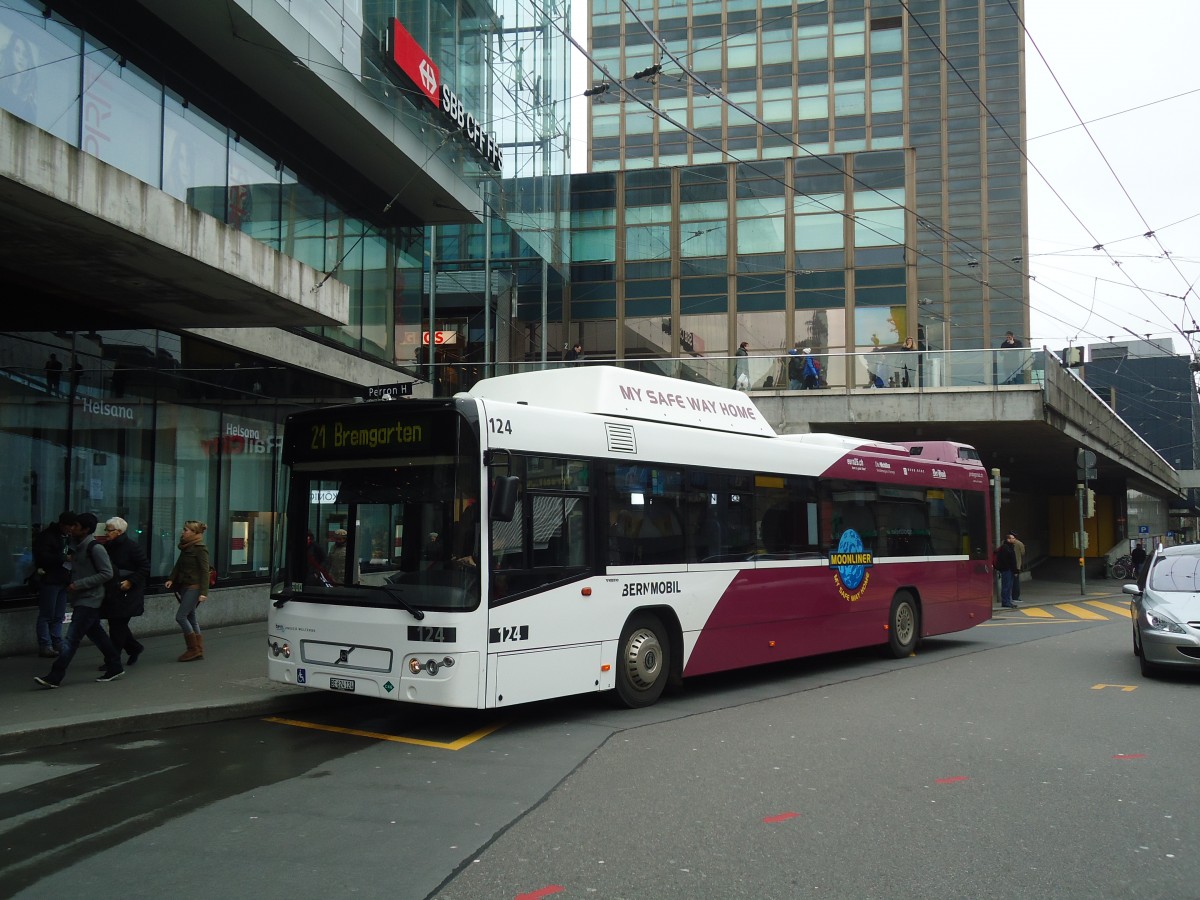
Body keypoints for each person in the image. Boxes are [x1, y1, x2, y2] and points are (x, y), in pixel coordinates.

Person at [34, 513, 124, 687]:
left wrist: (78, 584)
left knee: (71, 639)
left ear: (85, 529)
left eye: (75, 526)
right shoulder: (76, 546)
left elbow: (107, 573)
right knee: (97, 634)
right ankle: (115, 665)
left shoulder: (95, 548)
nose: (72, 529)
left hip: (90, 598)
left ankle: (55, 675)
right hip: (82, 598)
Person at [99, 517, 151, 666]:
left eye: (109, 530)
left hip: (128, 593)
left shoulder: (132, 547)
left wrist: (130, 581)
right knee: (117, 624)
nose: (106, 533)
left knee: (117, 626)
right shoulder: (108, 546)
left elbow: (145, 567)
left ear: (119, 532)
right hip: (115, 591)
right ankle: (134, 647)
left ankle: (112, 660)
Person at [32, 511, 76, 658]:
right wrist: (64, 557)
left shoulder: (66, 537)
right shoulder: (48, 537)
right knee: (47, 614)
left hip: (62, 578)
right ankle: (45, 644)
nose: (71, 530)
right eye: (69, 526)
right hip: (50, 579)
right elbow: (43, 557)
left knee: (58, 614)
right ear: (63, 525)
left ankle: (56, 641)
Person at [164, 520, 210, 662]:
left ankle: (193, 649)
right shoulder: (186, 546)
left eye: (186, 530)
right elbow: (179, 565)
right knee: (191, 617)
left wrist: (204, 592)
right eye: (184, 529)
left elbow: (205, 571)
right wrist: (171, 578)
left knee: (181, 617)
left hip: (194, 587)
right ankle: (198, 649)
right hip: (184, 585)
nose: (183, 532)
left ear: (195, 533)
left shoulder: (200, 548)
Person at [994, 532, 1019, 609]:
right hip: (1007, 570)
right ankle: (1005, 602)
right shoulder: (1005, 548)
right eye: (1012, 538)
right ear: (1008, 539)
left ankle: (1008, 601)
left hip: (1010, 570)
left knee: (1009, 586)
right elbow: (1007, 560)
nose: (1014, 539)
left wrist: (1014, 570)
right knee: (1006, 586)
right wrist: (1010, 569)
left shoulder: (1010, 547)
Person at [1009, 531, 1026, 605]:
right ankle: (1015, 597)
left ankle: (1008, 597)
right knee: (1016, 582)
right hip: (1016, 565)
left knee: (1008, 582)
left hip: (1007, 565)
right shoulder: (1019, 543)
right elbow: (1023, 553)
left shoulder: (1004, 542)